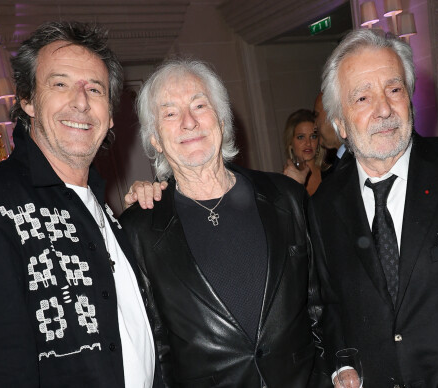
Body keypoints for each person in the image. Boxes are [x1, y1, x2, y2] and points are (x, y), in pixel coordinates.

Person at [0, 21, 160, 388]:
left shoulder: (106, 213)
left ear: (109, 117)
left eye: (95, 88)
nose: (81, 101)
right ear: (27, 99)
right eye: (60, 84)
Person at [311, 29, 438, 387]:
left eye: (394, 89)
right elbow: (328, 307)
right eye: (363, 98)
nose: (384, 109)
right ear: (340, 125)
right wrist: (341, 363)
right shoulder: (323, 208)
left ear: (410, 99)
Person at [119, 59, 327, 387]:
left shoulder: (287, 197)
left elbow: (319, 305)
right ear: (155, 139)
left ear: (221, 119)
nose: (189, 122)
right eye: (170, 113)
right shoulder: (138, 230)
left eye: (200, 105)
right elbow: (153, 349)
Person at [282, 108, 330, 195]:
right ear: (290, 143)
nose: (308, 143)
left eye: (313, 136)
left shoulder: (333, 173)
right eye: (301, 137)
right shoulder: (284, 181)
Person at [314, 92, 346, 172]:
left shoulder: (361, 162)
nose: (314, 126)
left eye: (316, 114)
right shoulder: (340, 163)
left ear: (333, 114)